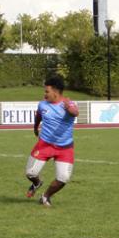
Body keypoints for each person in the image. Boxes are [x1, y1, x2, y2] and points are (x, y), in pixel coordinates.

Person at [25, 76, 79, 207]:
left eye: (47, 92)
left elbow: (75, 112)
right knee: (30, 173)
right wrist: (35, 127)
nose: (44, 95)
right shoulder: (42, 104)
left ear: (55, 92)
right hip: (45, 145)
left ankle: (45, 196)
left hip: (65, 148)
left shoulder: (68, 103)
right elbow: (38, 115)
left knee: (63, 178)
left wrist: (69, 109)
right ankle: (37, 183)